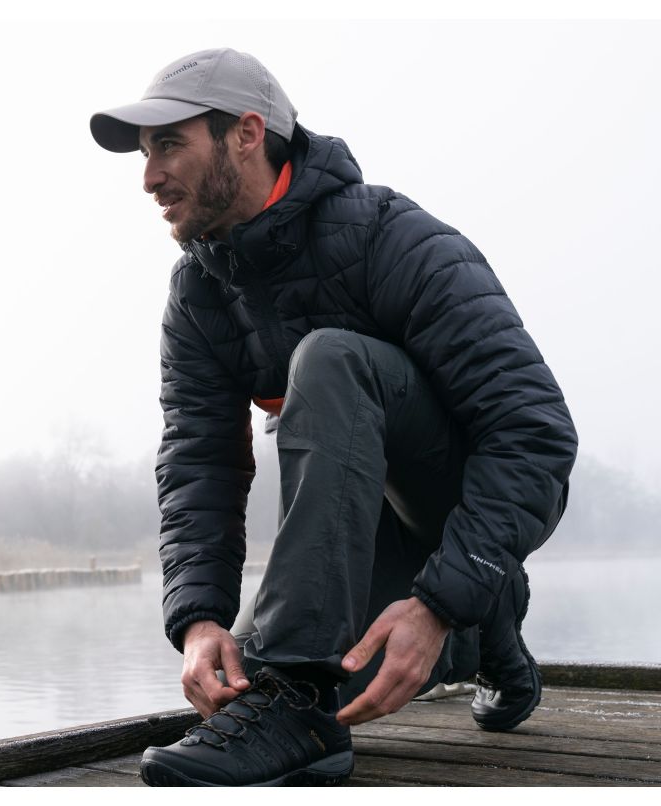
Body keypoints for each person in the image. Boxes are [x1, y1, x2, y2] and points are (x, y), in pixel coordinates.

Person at [90, 48, 578, 787]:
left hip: (453, 501)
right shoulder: (198, 296)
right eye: (145, 152)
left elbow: (534, 435)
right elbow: (199, 463)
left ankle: (460, 607)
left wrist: (439, 601)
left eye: (168, 145)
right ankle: (486, 631)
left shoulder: (392, 238)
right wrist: (197, 619)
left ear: (247, 133)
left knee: (329, 360)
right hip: (354, 529)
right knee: (259, 690)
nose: (149, 175)